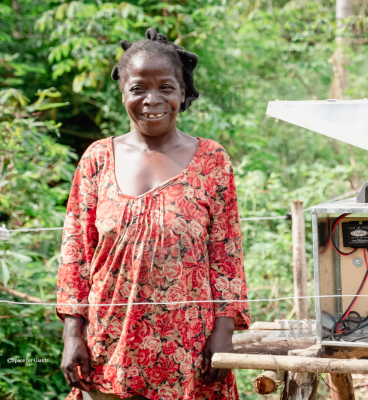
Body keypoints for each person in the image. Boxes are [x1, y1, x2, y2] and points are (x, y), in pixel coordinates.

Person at [56, 27, 250, 400]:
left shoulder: (211, 160)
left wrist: (223, 332)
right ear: (122, 92)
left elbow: (226, 255)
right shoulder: (98, 159)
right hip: (108, 346)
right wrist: (72, 335)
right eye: (138, 88)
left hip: (189, 350)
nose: (152, 99)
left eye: (165, 87)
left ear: (183, 92)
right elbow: (75, 255)